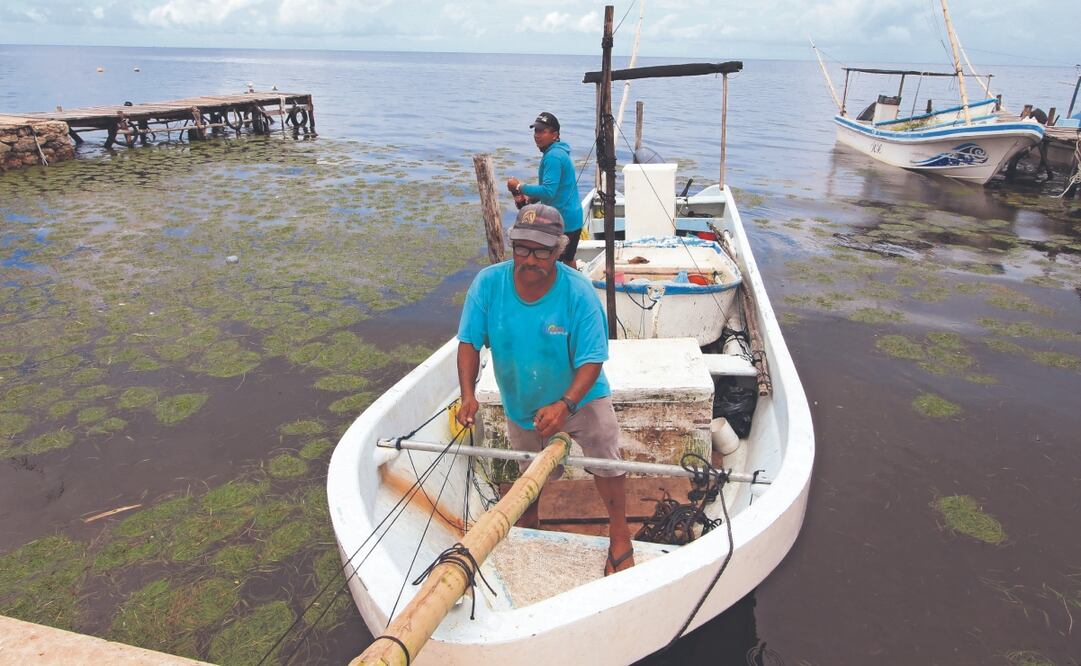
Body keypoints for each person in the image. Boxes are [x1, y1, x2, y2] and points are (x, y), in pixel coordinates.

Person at [455, 203, 634, 575]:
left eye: (541, 251)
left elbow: (592, 359)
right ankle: (530, 522)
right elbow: (469, 343)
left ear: (558, 251)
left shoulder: (579, 293)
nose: (529, 259)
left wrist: (565, 405)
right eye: (522, 248)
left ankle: (620, 535)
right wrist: (468, 393)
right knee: (530, 471)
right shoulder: (488, 285)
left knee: (606, 462)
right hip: (522, 402)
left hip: (582, 398)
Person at [506, 112, 585, 267]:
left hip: (563, 221)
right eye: (536, 131)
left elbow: (548, 191)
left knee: (554, 265)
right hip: (573, 217)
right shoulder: (559, 152)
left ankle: (559, 290)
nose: (537, 135)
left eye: (542, 131)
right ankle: (573, 288)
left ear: (555, 135)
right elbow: (557, 186)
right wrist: (533, 199)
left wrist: (518, 187)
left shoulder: (553, 157)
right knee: (569, 260)